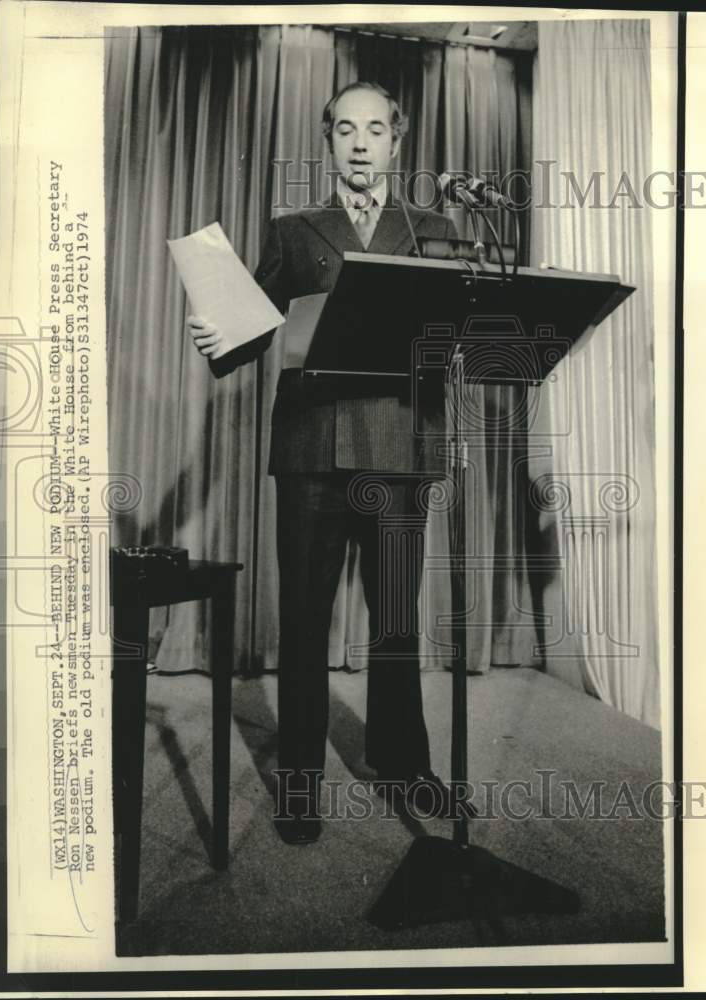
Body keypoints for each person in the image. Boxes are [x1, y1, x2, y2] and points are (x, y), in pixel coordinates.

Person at [189, 81, 461, 845]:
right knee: (304, 624)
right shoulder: (292, 229)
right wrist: (220, 337)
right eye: (346, 129)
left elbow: (450, 337)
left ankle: (405, 765)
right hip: (311, 451)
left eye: (375, 129)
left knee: (397, 624)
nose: (361, 142)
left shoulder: (435, 228)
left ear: (397, 142)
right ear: (329, 140)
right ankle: (300, 783)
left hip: (400, 451)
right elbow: (249, 325)